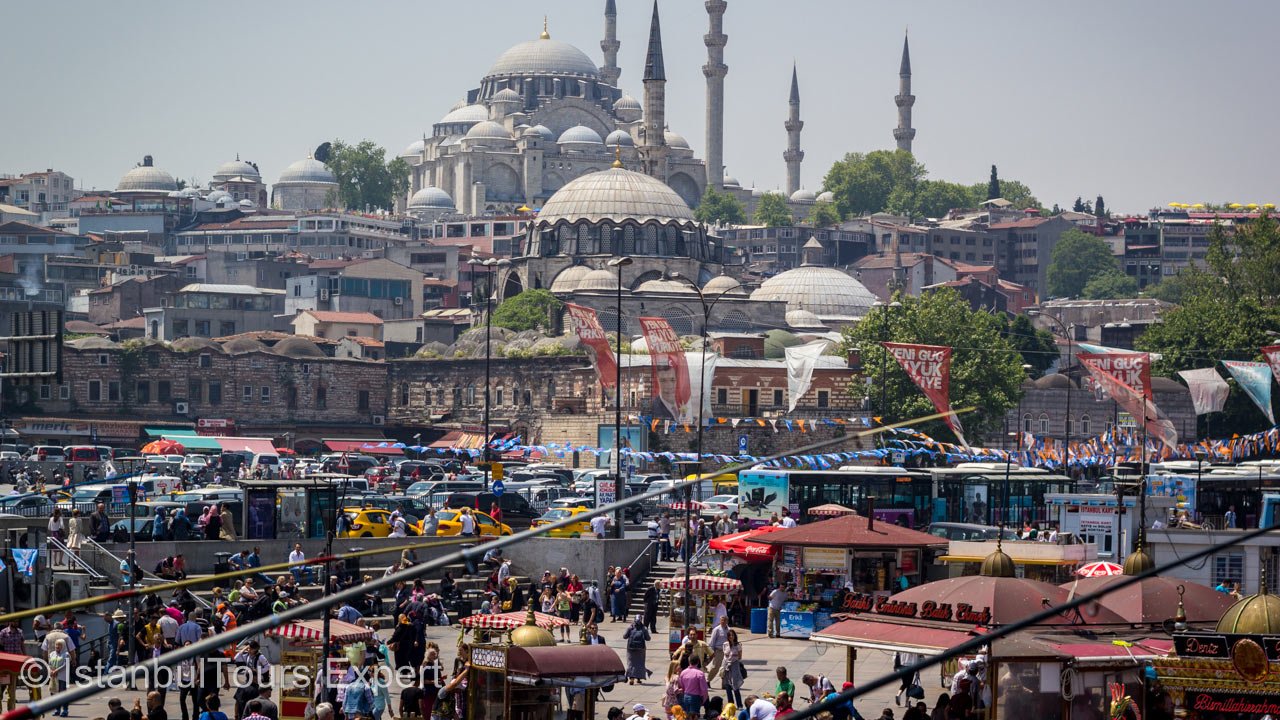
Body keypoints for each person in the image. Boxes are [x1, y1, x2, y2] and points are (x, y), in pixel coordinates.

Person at [622, 617, 650, 685]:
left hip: (631, 649)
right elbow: (648, 638)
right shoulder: (644, 628)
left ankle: (631, 678)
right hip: (641, 649)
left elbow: (624, 636)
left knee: (631, 663)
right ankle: (638, 678)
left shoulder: (630, 627)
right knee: (640, 663)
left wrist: (629, 629)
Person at [48, 639, 71, 715]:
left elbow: (65, 665)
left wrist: (56, 671)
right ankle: (57, 710)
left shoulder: (66, 654)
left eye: (59, 645)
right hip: (54, 677)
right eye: (56, 645)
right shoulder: (52, 654)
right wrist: (51, 670)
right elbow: (49, 663)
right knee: (54, 694)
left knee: (62, 694)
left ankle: (65, 710)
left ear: (63, 646)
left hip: (62, 677)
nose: (57, 646)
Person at [722, 630, 744, 707]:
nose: (731, 637)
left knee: (735, 685)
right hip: (726, 665)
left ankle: (739, 704)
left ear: (735, 636)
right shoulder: (725, 644)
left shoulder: (738, 645)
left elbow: (740, 656)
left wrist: (733, 658)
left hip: (734, 665)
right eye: (729, 635)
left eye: (732, 635)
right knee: (727, 685)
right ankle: (730, 704)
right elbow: (724, 655)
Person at [707, 615, 729, 682]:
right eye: (722, 620)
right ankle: (708, 680)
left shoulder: (729, 630)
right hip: (718, 651)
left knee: (726, 668)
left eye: (724, 620)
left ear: (727, 621)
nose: (723, 622)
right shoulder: (716, 629)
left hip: (727, 651)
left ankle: (725, 683)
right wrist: (711, 652)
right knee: (715, 667)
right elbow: (712, 641)